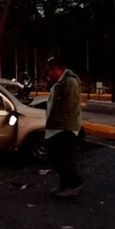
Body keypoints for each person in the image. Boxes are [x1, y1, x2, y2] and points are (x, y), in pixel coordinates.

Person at [44, 56, 84, 198]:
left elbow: (70, 106)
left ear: (57, 69)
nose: (48, 73)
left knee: (64, 158)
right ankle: (65, 184)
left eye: (50, 70)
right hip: (56, 127)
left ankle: (74, 184)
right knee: (57, 158)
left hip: (64, 127)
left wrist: (60, 120)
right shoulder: (59, 82)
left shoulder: (70, 82)